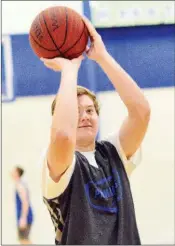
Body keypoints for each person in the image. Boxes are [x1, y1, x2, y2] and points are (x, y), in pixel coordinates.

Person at [40, 16, 150, 245]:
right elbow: (63, 135)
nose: (85, 116)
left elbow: (141, 112)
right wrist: (69, 70)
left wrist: (102, 56)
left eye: (90, 110)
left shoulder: (113, 153)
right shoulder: (60, 162)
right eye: (77, 111)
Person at [11, 166, 34, 244]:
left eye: (13, 171)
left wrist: (23, 218)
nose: (11, 172)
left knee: (24, 240)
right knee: (23, 241)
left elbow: (25, 202)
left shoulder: (20, 185)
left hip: (25, 217)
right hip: (23, 216)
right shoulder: (19, 184)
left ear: (17, 173)